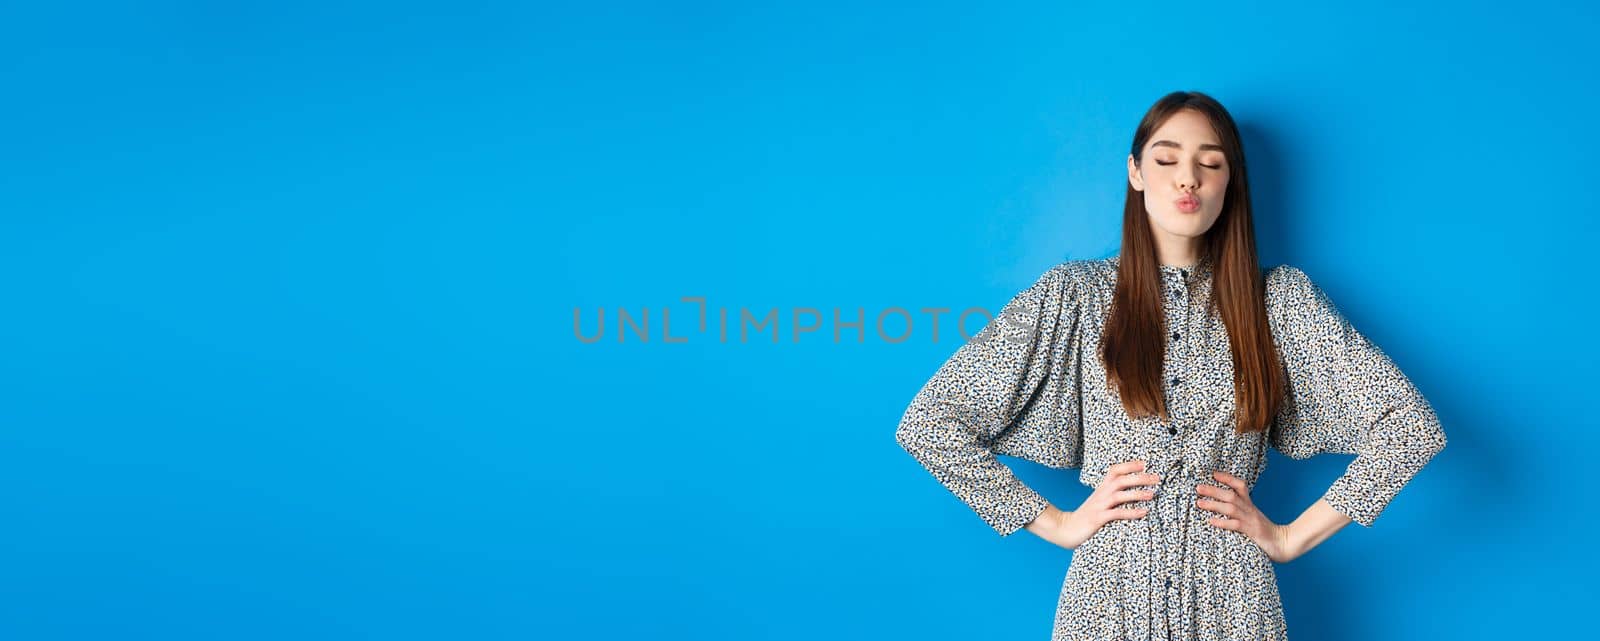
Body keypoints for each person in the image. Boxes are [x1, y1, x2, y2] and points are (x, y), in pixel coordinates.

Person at [893, 90, 1447, 641]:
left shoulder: (1277, 302)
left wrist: (1290, 538)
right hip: (1109, 597)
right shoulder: (1077, 296)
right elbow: (930, 424)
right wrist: (1058, 523)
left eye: (1210, 163)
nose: (1189, 178)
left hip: (1236, 600)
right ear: (1135, 172)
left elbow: (1411, 428)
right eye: (1166, 159)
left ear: (1230, 184)